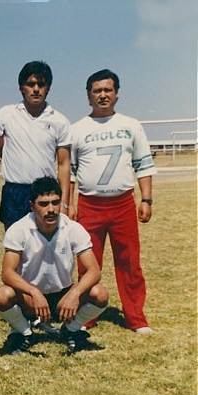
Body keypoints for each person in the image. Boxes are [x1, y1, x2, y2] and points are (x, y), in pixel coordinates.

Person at [68, 69, 156, 334]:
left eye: (108, 90)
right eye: (97, 91)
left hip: (122, 203)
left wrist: (146, 199)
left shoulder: (131, 125)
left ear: (117, 93)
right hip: (89, 204)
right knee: (87, 263)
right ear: (88, 96)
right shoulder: (77, 129)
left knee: (129, 262)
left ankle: (136, 318)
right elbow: (70, 172)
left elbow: (143, 165)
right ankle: (86, 316)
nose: (103, 95)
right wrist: (69, 204)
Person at [0, 176, 109, 354]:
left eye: (55, 202)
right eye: (43, 204)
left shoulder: (72, 228)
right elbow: (7, 273)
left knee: (100, 294)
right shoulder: (19, 229)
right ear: (32, 206)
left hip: (63, 295)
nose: (51, 210)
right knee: (3, 295)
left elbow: (94, 271)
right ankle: (24, 332)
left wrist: (75, 293)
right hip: (30, 299)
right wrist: (34, 292)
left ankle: (70, 330)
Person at [0, 61, 71, 231]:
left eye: (41, 84)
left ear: (48, 88)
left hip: (46, 193)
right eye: (30, 84)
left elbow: (63, 164)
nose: (36, 89)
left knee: (46, 242)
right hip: (14, 192)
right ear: (21, 87)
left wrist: (64, 203)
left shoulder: (59, 121)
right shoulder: (5, 115)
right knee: (15, 241)